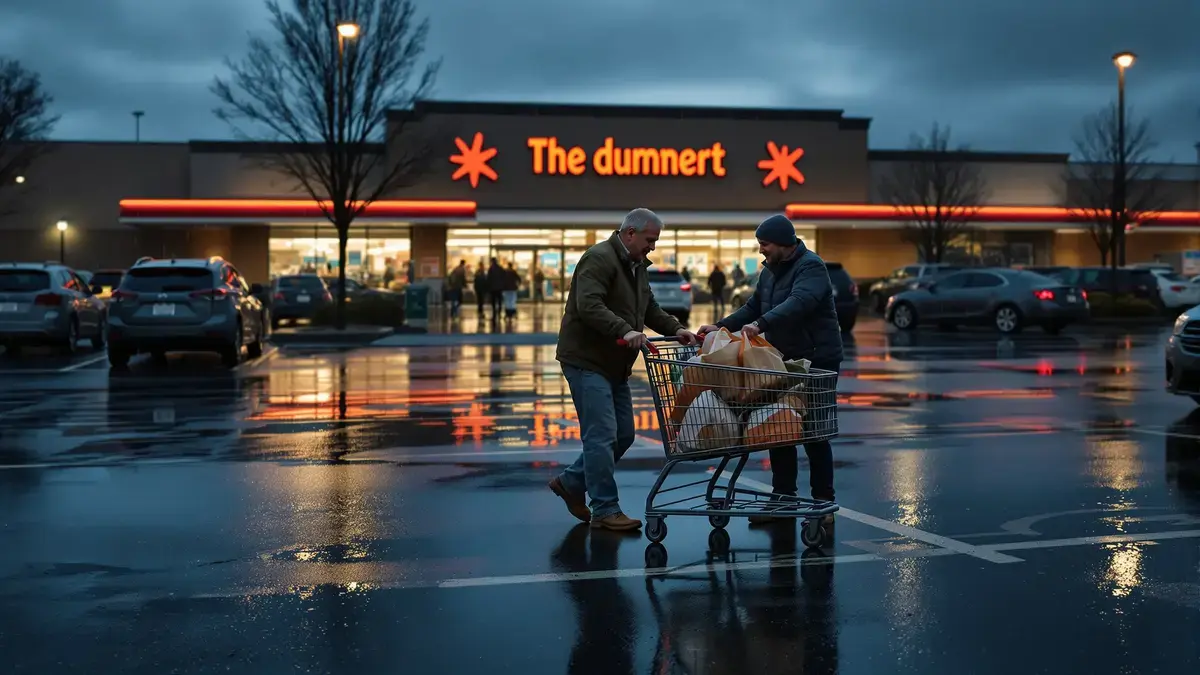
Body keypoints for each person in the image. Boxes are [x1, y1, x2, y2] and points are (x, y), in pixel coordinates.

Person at [550, 208, 699, 531]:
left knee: (624, 434)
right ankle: (604, 508)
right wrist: (624, 330)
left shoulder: (636, 266)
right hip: (586, 360)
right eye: (650, 240)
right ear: (630, 233)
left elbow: (649, 308)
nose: (653, 247)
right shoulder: (599, 259)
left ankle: (571, 483)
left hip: (615, 364)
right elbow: (588, 305)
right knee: (601, 436)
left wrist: (676, 329)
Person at [699, 214, 843, 526]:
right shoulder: (770, 272)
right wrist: (722, 325)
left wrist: (762, 324)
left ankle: (823, 503)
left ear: (781, 242)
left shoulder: (811, 266)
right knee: (779, 427)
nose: (761, 250)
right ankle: (783, 498)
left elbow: (800, 302)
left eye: (764, 244)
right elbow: (753, 306)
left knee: (815, 431)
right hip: (783, 360)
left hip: (816, 359)